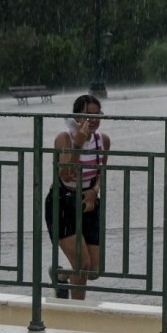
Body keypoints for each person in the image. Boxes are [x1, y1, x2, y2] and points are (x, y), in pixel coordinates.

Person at [45, 94, 110, 300]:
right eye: (87, 115)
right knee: (82, 265)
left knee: (94, 271)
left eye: (96, 114)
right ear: (76, 117)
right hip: (63, 201)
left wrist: (94, 190)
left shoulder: (103, 140)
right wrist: (78, 145)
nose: (92, 120)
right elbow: (65, 173)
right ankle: (77, 311)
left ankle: (61, 276)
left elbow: (102, 170)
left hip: (88, 201)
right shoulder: (63, 138)